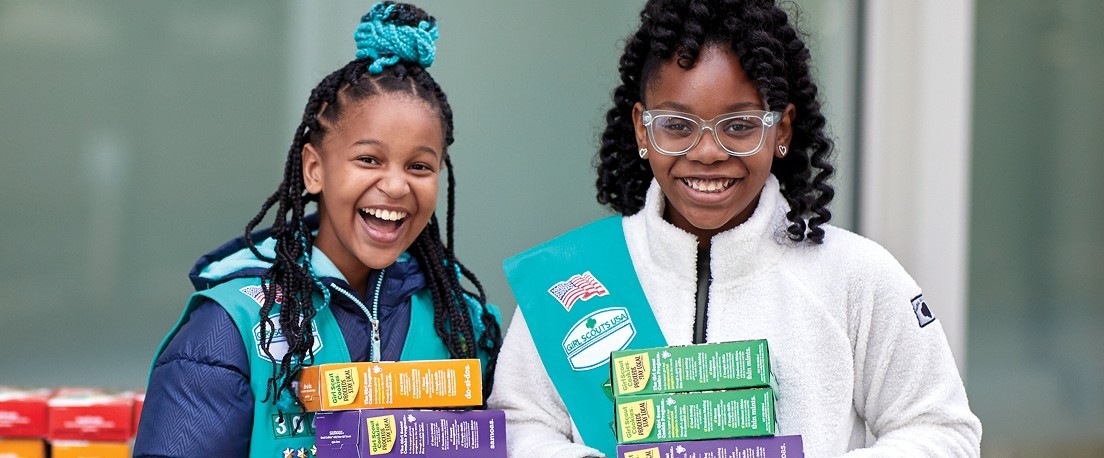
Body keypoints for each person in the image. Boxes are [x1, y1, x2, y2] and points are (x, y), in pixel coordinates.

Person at [488, 0, 981, 456]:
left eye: (739, 126)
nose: (707, 152)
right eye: (677, 126)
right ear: (643, 128)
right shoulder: (571, 279)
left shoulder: (854, 276)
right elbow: (517, 425)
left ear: (781, 130)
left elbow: (942, 429)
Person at [133, 3, 501, 456]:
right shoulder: (231, 326)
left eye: (420, 166)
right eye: (369, 159)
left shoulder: (465, 327)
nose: (395, 185)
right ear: (314, 169)